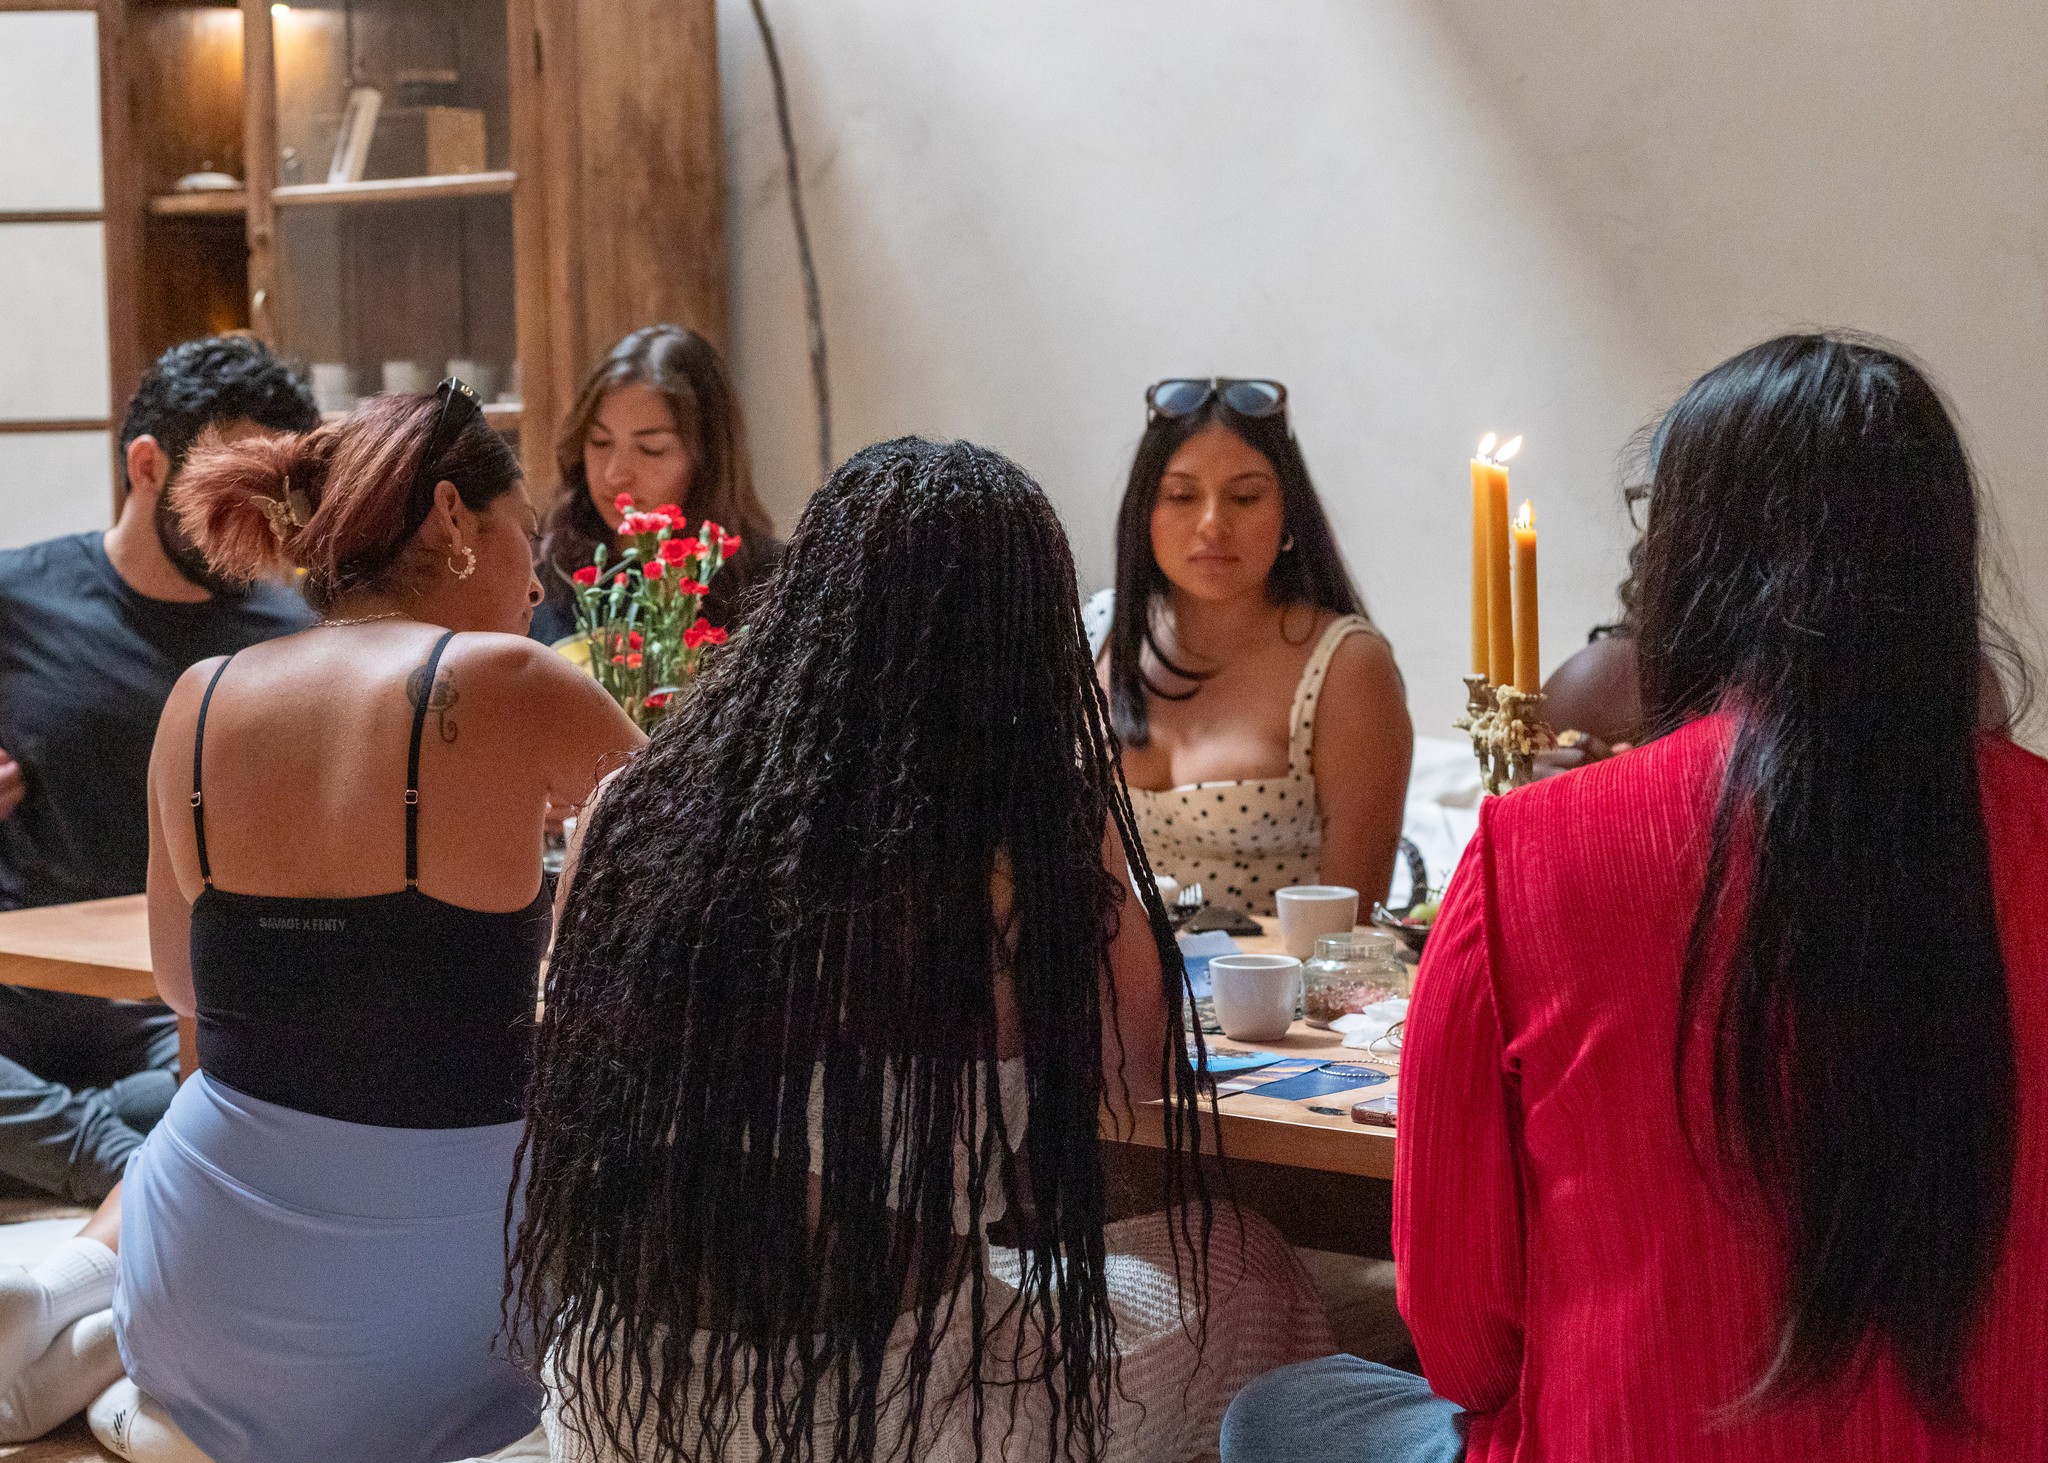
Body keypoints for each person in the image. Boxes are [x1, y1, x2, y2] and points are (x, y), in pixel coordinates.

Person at [1220, 333, 2048, 1461]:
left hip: (1627, 1432)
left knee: (1280, 1410)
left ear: (1693, 555)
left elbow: (1460, 1334)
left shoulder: (1534, 847)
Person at [513, 437, 1331, 1463]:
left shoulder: (634, 804)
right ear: (1024, 642)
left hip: (614, 1393)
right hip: (878, 1416)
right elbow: (1136, 1065)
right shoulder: (1016, 839)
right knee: (1255, 1267)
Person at [0, 382, 644, 1458]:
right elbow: (700, 900)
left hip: (201, 1292)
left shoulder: (198, 694)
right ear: (449, 517)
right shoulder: (515, 677)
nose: (536, 580)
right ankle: (101, 1347)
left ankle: (95, 1321)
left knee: (200, 1133)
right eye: (524, 538)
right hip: (457, 1321)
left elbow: (183, 992)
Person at [0, 335, 319, 1203]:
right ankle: (124, 1154)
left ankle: (77, 1138)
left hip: (169, 1004)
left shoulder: (295, 638)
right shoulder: (18, 599)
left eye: (277, 492)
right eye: (233, 485)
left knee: (265, 1075)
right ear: (148, 464)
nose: (265, 519)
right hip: (13, 986)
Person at [1086, 379, 1412, 915]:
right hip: (1108, 986)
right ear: (1145, 511)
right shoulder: (1095, 630)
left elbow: (1350, 931)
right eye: (1182, 496)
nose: (1213, 523)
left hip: (1275, 991)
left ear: (1288, 517)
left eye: (1245, 496)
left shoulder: (1346, 665)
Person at [530, 325, 781, 644]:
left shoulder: (769, 582)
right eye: (600, 442)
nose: (614, 475)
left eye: (651, 449)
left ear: (707, 457)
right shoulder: (546, 570)